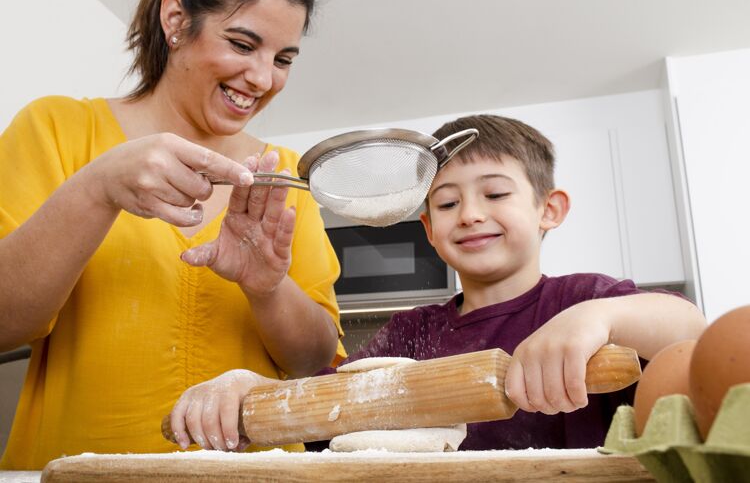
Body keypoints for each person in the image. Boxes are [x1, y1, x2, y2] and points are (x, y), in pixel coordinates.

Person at [166, 113, 706, 452]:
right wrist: (251, 391)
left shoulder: (583, 299)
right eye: (447, 202)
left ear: (550, 209)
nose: (470, 214)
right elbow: (325, 405)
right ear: (427, 226)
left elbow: (689, 331)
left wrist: (598, 318)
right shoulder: (410, 336)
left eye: (495, 195)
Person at [0, 0, 346, 470]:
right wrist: (97, 189)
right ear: (176, 20)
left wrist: (267, 288)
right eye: (243, 45)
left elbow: (313, 359)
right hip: (83, 473)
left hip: (259, 476)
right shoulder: (57, 130)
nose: (263, 77)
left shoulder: (283, 174)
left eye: (284, 59)